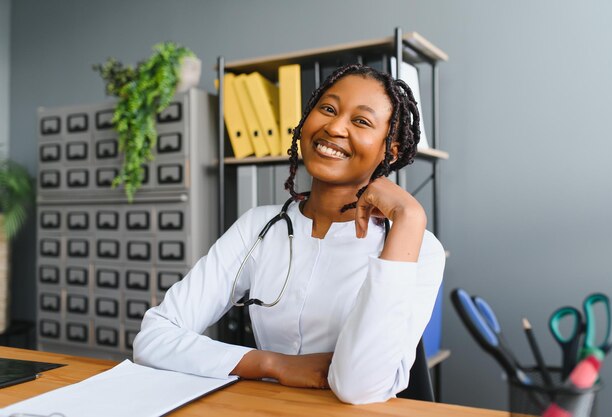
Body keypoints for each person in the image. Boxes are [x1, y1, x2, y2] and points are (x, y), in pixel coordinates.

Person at [133, 64, 446, 405]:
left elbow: (359, 388)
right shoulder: (259, 227)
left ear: (392, 150)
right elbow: (152, 338)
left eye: (361, 121)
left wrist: (410, 219)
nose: (334, 126)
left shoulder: (418, 248)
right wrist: (272, 363)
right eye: (327, 109)